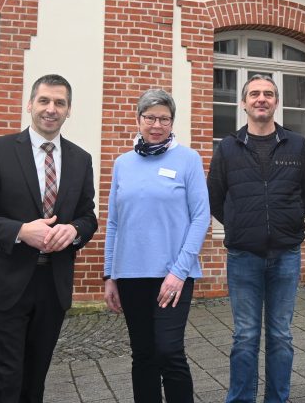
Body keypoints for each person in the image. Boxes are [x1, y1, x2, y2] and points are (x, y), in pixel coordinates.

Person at [0, 74, 98, 402]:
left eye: (59, 103)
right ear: (30, 105)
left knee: (34, 383)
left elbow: (87, 216)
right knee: (3, 383)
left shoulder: (81, 159)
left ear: (68, 111)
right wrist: (21, 231)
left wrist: (75, 231)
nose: (51, 109)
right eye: (44, 101)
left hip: (53, 285)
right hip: (7, 284)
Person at [207, 74, 305, 403]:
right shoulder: (228, 147)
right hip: (243, 257)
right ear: (243, 103)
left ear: (276, 102)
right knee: (245, 335)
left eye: (268, 94)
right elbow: (215, 197)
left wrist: (286, 222)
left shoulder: (296, 145)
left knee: (281, 335)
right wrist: (241, 225)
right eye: (254, 94)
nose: (261, 99)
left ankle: (277, 399)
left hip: (286, 254)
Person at [103, 89, 210, 403]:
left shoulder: (188, 159)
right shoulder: (122, 164)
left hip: (173, 275)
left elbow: (201, 217)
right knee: (143, 354)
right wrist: (110, 274)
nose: (156, 124)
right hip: (131, 274)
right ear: (138, 120)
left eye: (164, 118)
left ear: (172, 122)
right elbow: (113, 222)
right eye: (150, 117)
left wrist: (179, 271)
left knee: (169, 350)